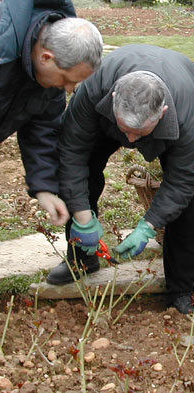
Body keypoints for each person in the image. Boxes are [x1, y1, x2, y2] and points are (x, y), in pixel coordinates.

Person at [45, 43, 194, 315]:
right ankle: (81, 259)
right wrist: (81, 214)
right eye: (126, 131)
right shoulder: (93, 90)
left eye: (140, 133)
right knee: (82, 169)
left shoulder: (188, 112)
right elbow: (71, 154)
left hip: (179, 117)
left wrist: (149, 225)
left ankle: (181, 287)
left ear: (161, 114)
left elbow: (183, 180)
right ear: (113, 98)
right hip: (105, 118)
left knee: (189, 203)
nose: (131, 141)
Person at [0, 0, 103, 240]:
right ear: (46, 57)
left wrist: (44, 187)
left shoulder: (46, 78)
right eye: (67, 79)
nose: (70, 88)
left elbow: (41, 130)